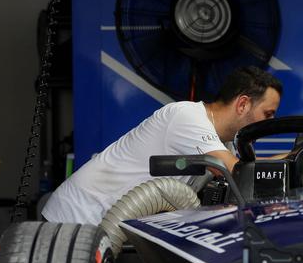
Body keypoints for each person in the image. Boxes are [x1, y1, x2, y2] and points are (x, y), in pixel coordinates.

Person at [41, 65, 282, 225]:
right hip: (77, 217)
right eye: (268, 114)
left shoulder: (225, 145)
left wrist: (292, 158)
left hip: (107, 225)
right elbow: (239, 173)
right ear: (242, 104)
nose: (270, 123)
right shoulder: (188, 116)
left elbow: (246, 173)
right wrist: (293, 160)